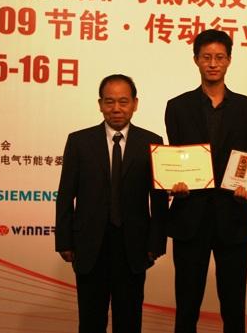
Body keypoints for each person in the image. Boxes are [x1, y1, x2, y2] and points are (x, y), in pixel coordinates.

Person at [165, 29, 247, 333]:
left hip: (232, 214)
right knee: (186, 306)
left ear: (229, 60)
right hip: (189, 215)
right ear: (196, 60)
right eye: (206, 57)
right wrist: (176, 184)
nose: (213, 63)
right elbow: (177, 158)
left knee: (233, 306)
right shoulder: (177, 106)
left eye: (219, 57)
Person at [55, 74, 168, 333]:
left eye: (123, 101)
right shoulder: (79, 141)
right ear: (100, 104)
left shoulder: (151, 142)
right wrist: (64, 241)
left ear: (135, 104)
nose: (116, 108)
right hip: (89, 246)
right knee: (90, 321)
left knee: (129, 321)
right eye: (109, 102)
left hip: (133, 247)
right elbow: (65, 195)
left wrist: (156, 243)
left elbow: (159, 199)